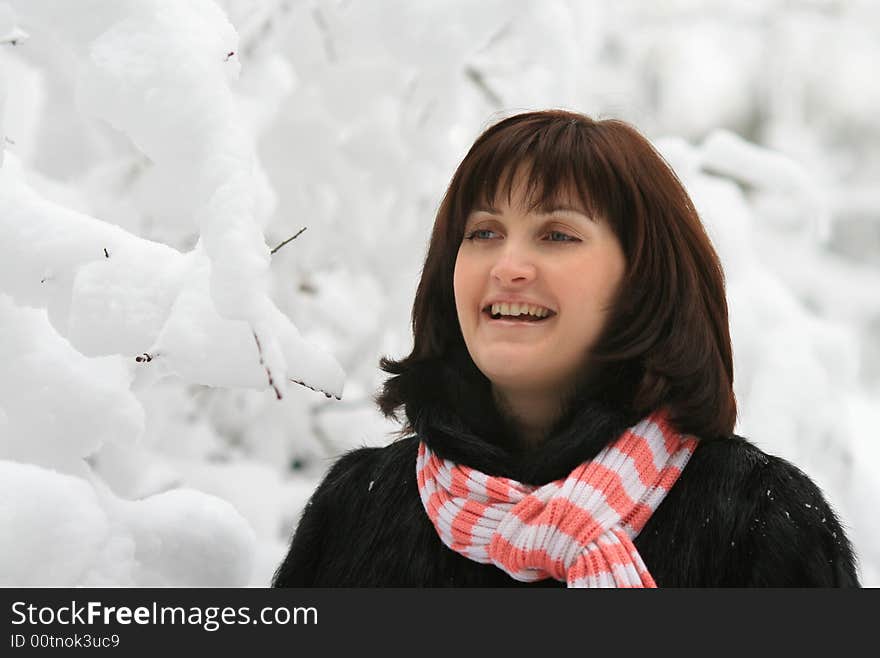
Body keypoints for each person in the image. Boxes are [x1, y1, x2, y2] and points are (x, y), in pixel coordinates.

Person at [273, 109, 860, 587]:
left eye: (557, 235)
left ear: (644, 280)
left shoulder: (758, 517)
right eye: (483, 233)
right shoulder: (360, 508)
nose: (508, 267)